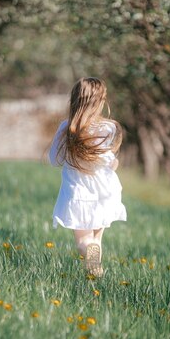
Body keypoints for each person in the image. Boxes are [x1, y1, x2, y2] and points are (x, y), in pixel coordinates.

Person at [49, 77, 127, 276]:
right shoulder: (108, 128)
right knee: (96, 241)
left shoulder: (67, 128)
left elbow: (54, 159)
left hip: (78, 193)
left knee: (84, 241)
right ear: (100, 101)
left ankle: (93, 268)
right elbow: (110, 161)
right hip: (105, 193)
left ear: (75, 100)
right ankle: (94, 273)